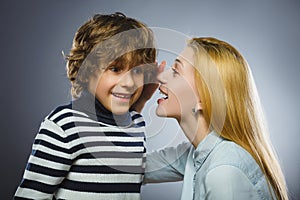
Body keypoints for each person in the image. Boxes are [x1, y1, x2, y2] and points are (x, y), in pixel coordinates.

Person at [14, 12, 157, 200]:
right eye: (115, 69)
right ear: (86, 71)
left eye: (137, 71)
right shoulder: (65, 125)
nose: (129, 83)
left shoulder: (136, 124)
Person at [143, 37, 289, 199]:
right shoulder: (197, 153)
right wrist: (139, 101)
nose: (161, 77)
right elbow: (131, 166)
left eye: (176, 72)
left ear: (203, 99)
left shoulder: (224, 173)